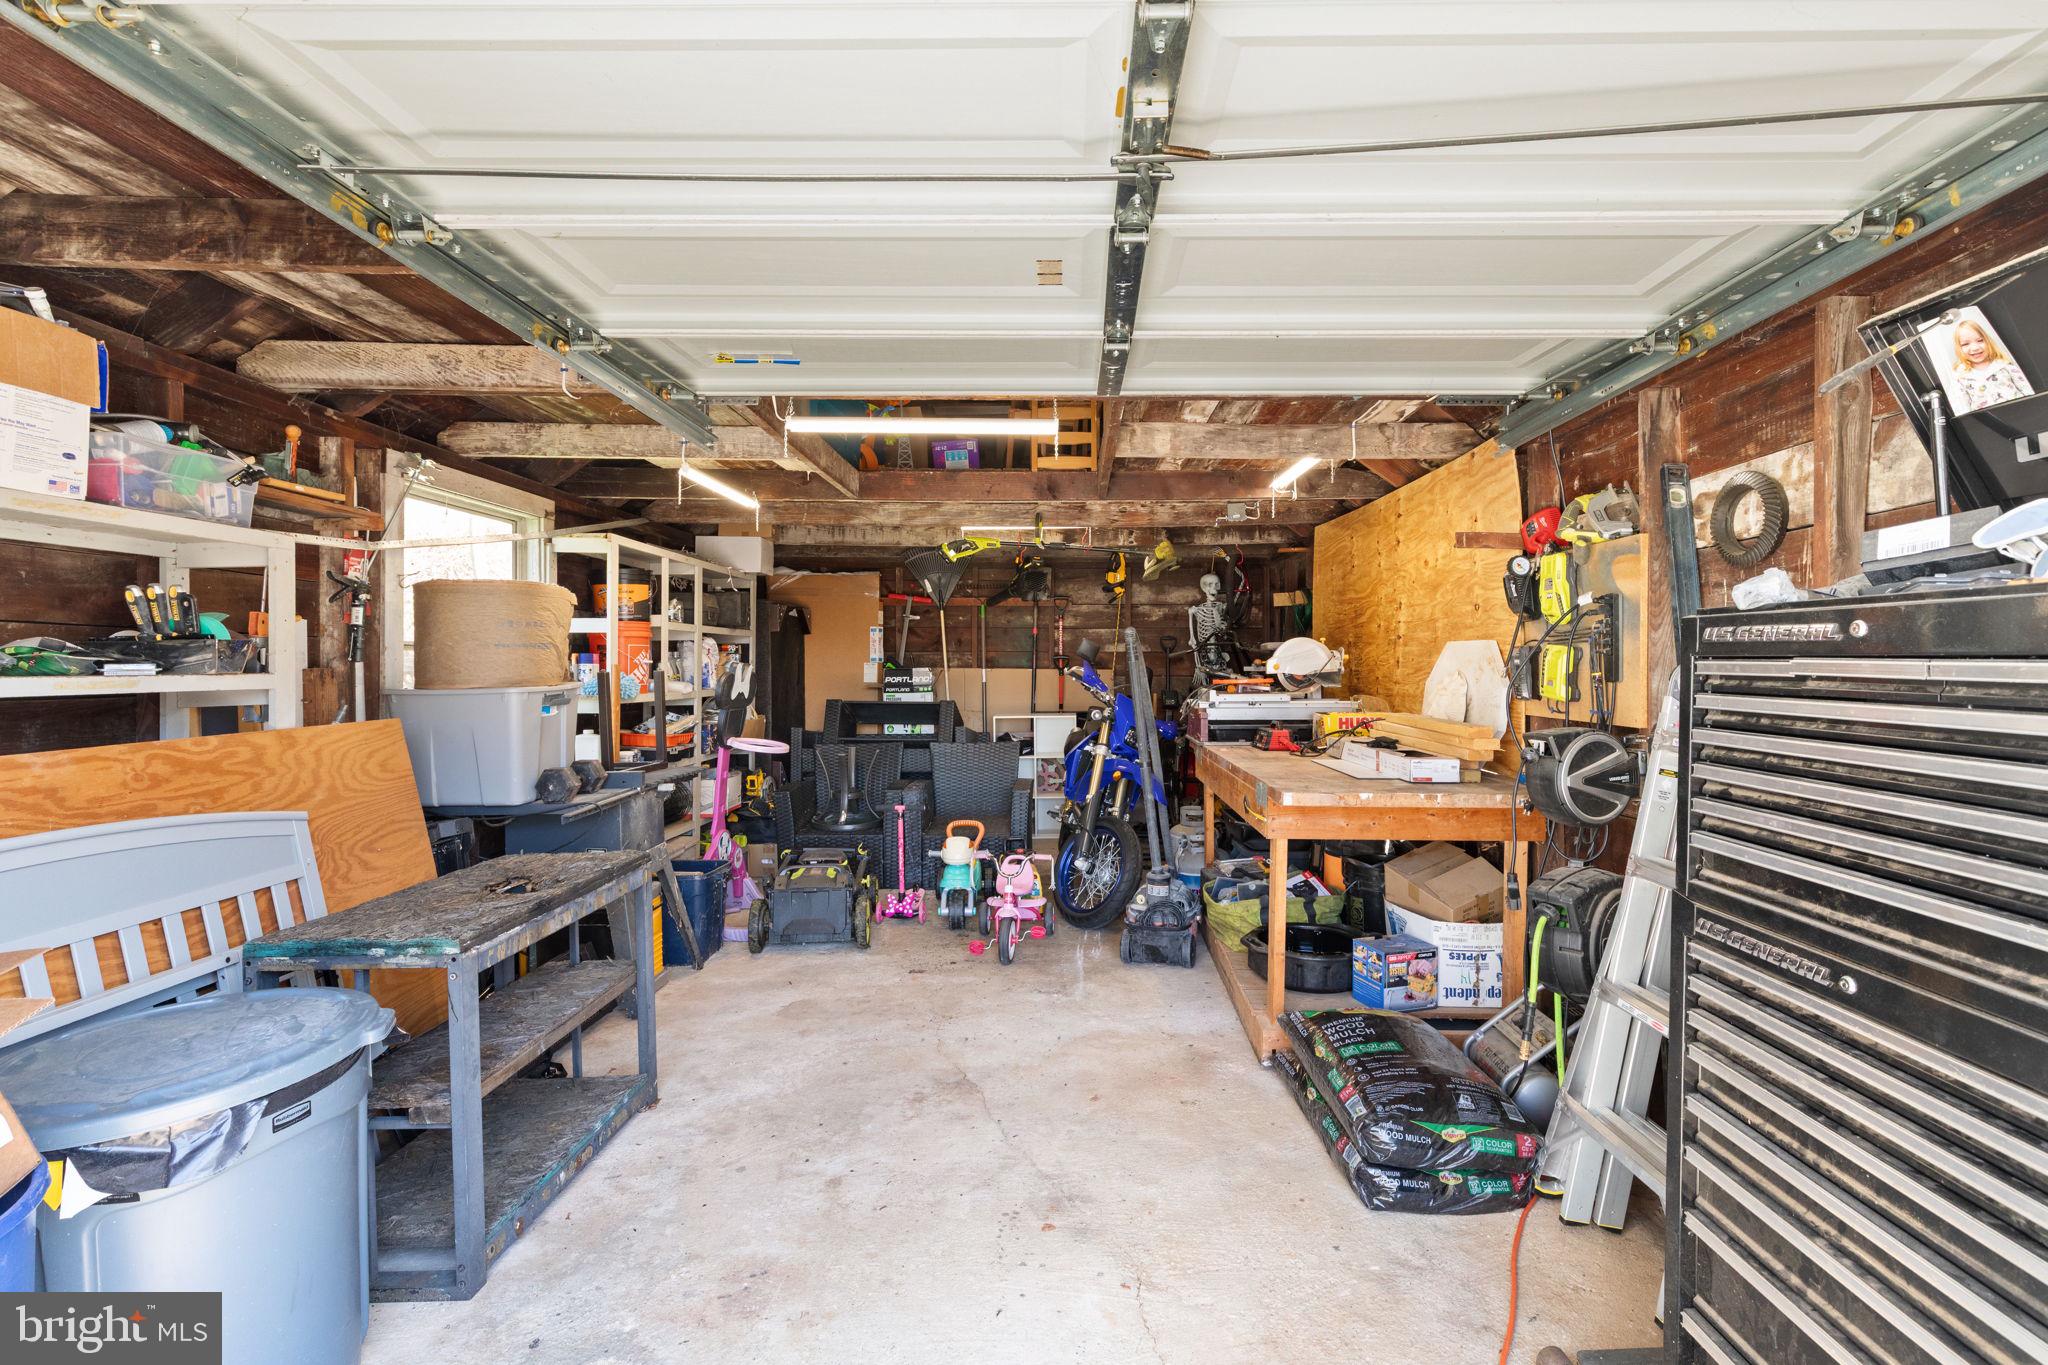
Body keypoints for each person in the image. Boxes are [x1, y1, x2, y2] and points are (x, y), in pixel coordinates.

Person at [1949, 318, 2034, 411]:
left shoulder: (2004, 365)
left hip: (2019, 412)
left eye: (1980, 340)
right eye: (1965, 344)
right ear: (1959, 348)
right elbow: (1961, 408)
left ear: (1988, 341)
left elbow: (2027, 389)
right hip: (1989, 419)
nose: (1975, 348)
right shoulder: (1960, 376)